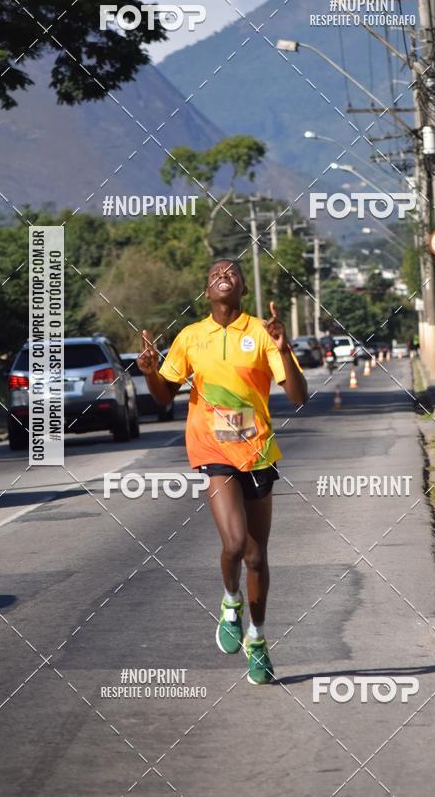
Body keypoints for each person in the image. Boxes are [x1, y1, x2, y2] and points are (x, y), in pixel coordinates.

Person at [137, 259, 307, 684]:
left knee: (256, 556)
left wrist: (284, 347)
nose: (223, 275)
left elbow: (298, 396)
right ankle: (231, 602)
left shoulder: (262, 333)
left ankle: (258, 638)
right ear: (206, 290)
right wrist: (150, 373)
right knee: (233, 543)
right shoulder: (191, 337)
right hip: (213, 451)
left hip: (258, 452)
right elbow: (164, 397)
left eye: (232, 272)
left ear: (243, 287)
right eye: (215, 273)